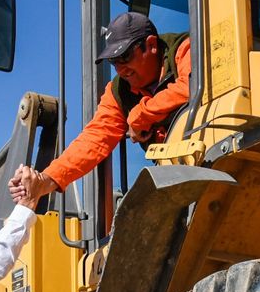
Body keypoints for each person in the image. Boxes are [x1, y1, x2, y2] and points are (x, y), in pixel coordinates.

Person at [11, 11, 190, 201]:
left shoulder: (187, 49)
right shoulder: (118, 92)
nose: (120, 69)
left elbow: (192, 86)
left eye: (125, 56)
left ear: (152, 45)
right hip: (174, 182)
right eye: (114, 61)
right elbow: (94, 139)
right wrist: (45, 180)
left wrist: (141, 115)